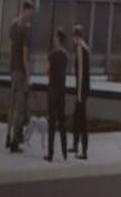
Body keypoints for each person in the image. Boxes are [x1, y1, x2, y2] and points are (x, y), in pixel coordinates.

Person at [5, 0, 33, 152]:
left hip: (13, 70)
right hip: (21, 71)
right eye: (30, 12)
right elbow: (24, 54)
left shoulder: (12, 24)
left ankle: (8, 136)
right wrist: (28, 75)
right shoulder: (25, 28)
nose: (31, 15)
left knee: (12, 105)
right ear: (25, 10)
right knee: (20, 108)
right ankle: (15, 140)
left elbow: (12, 47)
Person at [45, 28, 69, 162]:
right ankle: (65, 152)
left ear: (58, 39)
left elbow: (47, 71)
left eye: (55, 38)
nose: (53, 40)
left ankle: (50, 153)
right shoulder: (65, 55)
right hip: (61, 92)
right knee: (62, 122)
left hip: (52, 91)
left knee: (51, 122)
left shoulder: (52, 55)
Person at [69, 23, 91, 159]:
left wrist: (78, 93)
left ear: (75, 36)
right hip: (84, 88)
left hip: (81, 89)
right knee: (76, 116)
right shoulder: (85, 47)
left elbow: (81, 72)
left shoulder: (80, 48)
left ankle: (84, 150)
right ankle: (76, 144)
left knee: (81, 119)